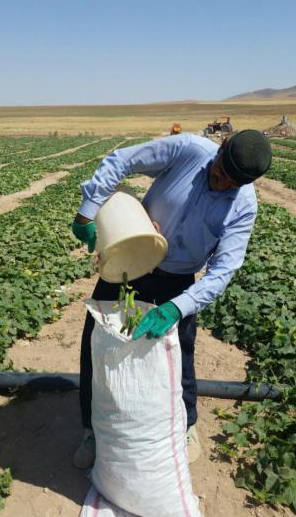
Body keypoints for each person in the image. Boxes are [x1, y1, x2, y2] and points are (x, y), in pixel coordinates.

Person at [72, 129, 272, 469]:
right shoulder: (187, 149)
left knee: (180, 352)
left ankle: (186, 424)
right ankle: (93, 428)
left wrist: (178, 306)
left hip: (178, 279)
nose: (221, 185)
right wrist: (86, 212)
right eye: (220, 174)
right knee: (98, 342)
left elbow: (223, 270)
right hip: (131, 255)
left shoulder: (243, 206)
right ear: (220, 149)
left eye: (232, 184)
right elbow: (122, 160)